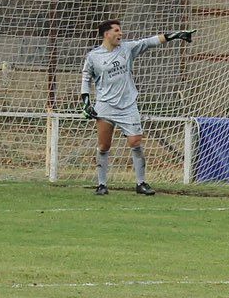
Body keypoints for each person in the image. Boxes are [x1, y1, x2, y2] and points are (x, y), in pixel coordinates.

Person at [80, 19, 195, 195]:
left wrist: (175, 35)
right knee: (104, 146)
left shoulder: (127, 48)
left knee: (135, 141)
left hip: (128, 106)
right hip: (105, 106)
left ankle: (141, 183)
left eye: (121, 31)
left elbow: (149, 42)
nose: (121, 34)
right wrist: (86, 100)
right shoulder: (94, 56)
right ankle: (102, 184)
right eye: (117, 31)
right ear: (107, 34)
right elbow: (86, 77)